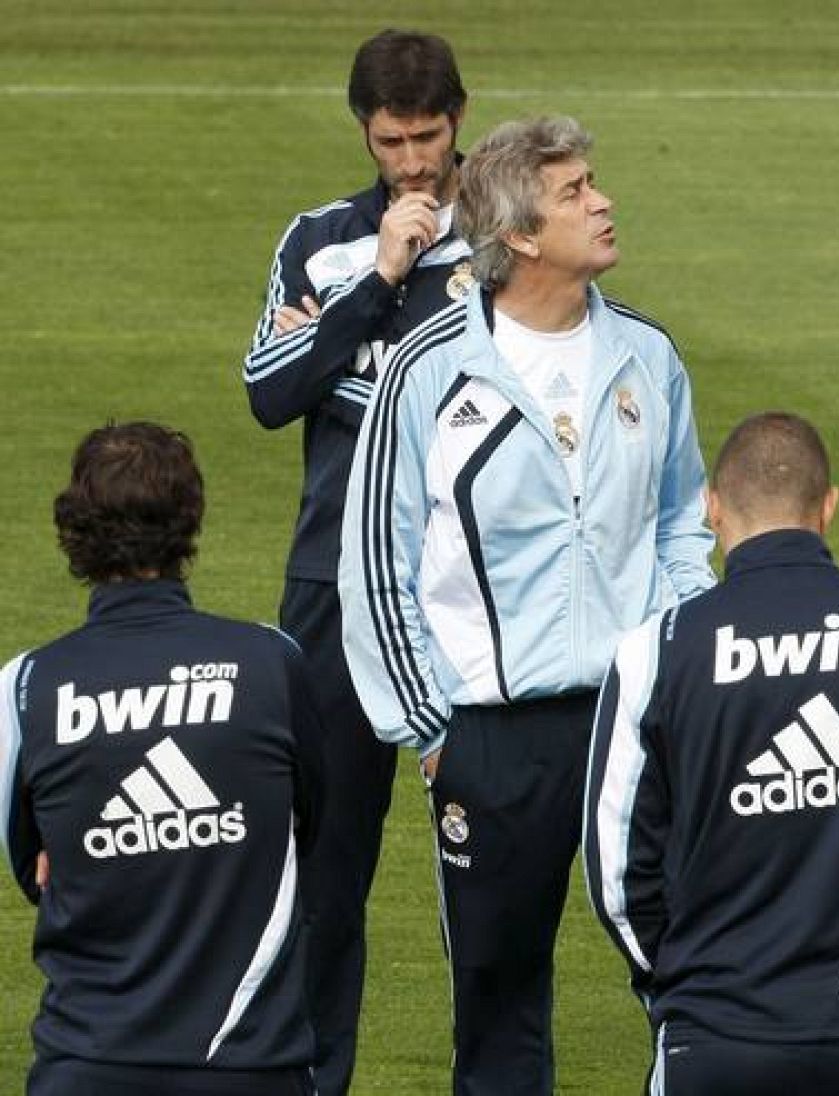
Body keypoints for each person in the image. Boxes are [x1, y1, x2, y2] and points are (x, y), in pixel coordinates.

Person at [340, 113, 715, 1095]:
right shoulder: (426, 373)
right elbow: (375, 563)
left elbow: (682, 524)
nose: (603, 202)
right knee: (500, 1000)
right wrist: (430, 729)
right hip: (489, 736)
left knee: (694, 972)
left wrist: (693, 669)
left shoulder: (647, 353)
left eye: (594, 181)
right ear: (518, 234)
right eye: (575, 191)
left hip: (639, 718)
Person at [584, 411, 839, 1094]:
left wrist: (682, 989)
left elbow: (618, 871)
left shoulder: (656, 653)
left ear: (712, 511)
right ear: (828, 507)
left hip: (715, 1041)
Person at [239, 28, 470, 1094]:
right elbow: (271, 390)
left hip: (471, 604)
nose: (414, 165)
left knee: (491, 871)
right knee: (325, 870)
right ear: (364, 133)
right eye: (392, 141)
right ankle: (315, 1080)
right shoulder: (324, 242)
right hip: (331, 598)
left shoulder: (512, 239)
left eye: (427, 138)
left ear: (457, 122)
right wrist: (376, 279)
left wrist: (328, 334)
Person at [0, 422, 323, 1096]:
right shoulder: (272, 660)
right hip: (249, 1064)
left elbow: (36, 869)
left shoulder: (28, 684)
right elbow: (307, 825)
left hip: (85, 1064)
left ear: (74, 528)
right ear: (189, 520)